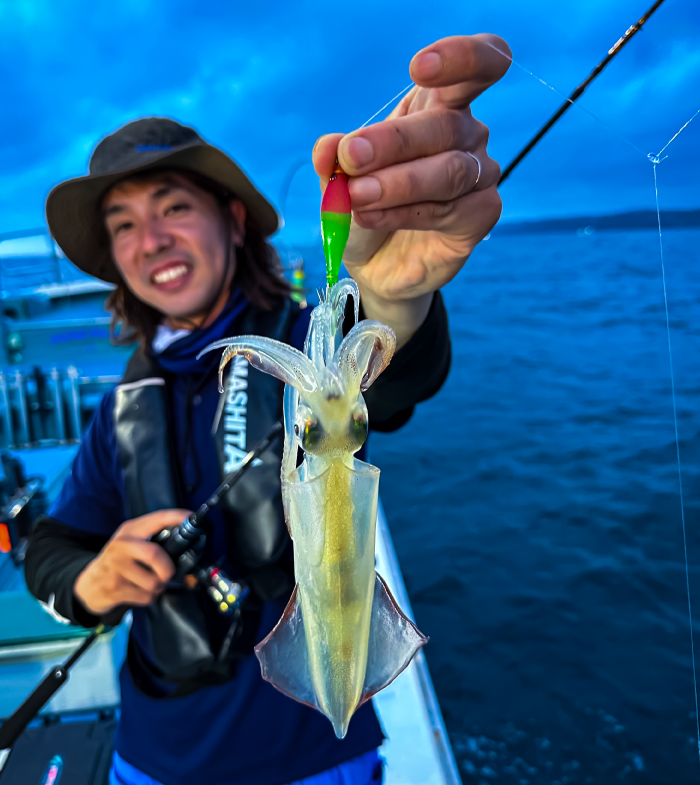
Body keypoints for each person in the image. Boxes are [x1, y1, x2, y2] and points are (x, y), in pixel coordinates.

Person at [25, 33, 510, 785]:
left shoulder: (303, 345)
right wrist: (94, 581)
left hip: (313, 755)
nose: (151, 240)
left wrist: (391, 301)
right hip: (153, 755)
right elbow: (54, 545)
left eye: (174, 207)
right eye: (123, 224)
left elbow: (391, 383)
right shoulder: (122, 405)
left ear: (233, 220)